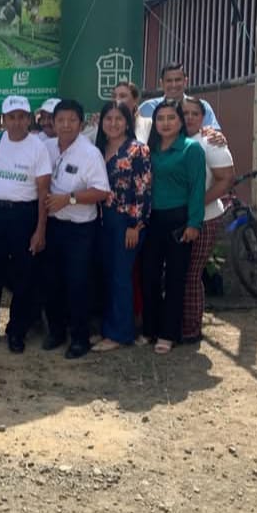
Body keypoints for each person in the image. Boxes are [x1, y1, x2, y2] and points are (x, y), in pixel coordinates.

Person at [0, 95, 52, 354]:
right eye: (11, 117)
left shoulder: (38, 148)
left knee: (23, 276)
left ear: (29, 119)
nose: (16, 122)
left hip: (23, 215)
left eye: (21, 117)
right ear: (4, 120)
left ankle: (17, 332)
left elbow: (43, 192)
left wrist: (40, 230)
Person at [41, 99, 111, 359]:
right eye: (61, 120)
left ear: (81, 124)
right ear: (53, 122)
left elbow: (101, 191)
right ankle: (56, 332)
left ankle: (80, 338)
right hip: (53, 226)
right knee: (52, 281)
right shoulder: (46, 147)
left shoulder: (90, 153)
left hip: (80, 230)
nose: (66, 125)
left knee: (78, 283)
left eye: (72, 120)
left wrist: (69, 199)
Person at [141, 99, 206, 355]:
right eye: (160, 118)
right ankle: (150, 329)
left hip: (179, 220)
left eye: (171, 118)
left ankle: (168, 334)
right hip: (152, 220)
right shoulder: (150, 149)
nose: (165, 123)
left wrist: (194, 223)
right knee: (149, 276)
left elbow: (197, 188)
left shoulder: (191, 149)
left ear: (180, 122)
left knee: (175, 279)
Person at [94, 100, 152, 352]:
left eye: (119, 118)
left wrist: (135, 225)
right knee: (107, 275)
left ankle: (120, 334)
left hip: (126, 222)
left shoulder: (137, 150)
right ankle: (108, 328)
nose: (113, 123)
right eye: (108, 118)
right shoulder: (98, 149)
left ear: (128, 122)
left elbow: (143, 190)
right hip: (100, 220)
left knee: (121, 276)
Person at [181, 96, 235, 344]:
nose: (189, 118)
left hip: (205, 218)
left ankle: (191, 328)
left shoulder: (210, 142)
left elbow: (226, 179)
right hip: (177, 217)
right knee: (179, 273)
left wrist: (197, 204)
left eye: (195, 114)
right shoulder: (171, 140)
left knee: (192, 274)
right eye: (185, 113)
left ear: (203, 118)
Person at [139, 62, 221, 128]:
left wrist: (216, 135)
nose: (173, 85)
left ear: (185, 82)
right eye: (169, 81)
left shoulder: (201, 106)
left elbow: (214, 135)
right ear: (161, 83)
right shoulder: (147, 107)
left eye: (178, 80)